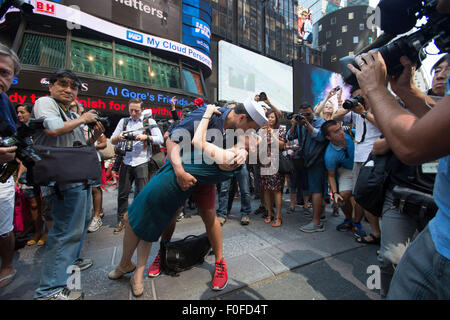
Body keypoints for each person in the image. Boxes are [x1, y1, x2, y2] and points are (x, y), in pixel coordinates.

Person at [109, 103, 267, 296]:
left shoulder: (237, 143)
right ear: (243, 119)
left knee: (208, 216)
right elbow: (172, 141)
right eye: (251, 130)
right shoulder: (207, 115)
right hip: (179, 173)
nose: (251, 134)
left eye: (254, 135)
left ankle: (219, 262)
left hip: (202, 177)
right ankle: (163, 252)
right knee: (167, 216)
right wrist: (179, 172)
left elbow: (207, 143)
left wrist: (242, 149)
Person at [346, 11, 449, 298]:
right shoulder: (421, 99)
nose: (431, 7)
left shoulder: (379, 101)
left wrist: (376, 90)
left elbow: (410, 144)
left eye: (446, 69)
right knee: (389, 260)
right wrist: (404, 89)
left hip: (435, 213)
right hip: (424, 213)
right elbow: (429, 123)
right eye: (438, 69)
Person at [32, 69, 104, 300]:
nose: (68, 90)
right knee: (64, 232)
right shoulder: (45, 103)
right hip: (61, 178)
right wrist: (83, 118)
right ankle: (50, 289)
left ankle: (71, 261)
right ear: (50, 85)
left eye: (73, 87)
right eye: (63, 84)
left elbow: (79, 144)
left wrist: (93, 134)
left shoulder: (68, 112)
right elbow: (52, 130)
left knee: (78, 225)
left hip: (76, 175)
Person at [333, 87, 382, 243]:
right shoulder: (354, 111)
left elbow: (386, 126)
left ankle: (379, 233)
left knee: (374, 196)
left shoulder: (379, 107)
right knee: (360, 195)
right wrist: (348, 106)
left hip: (375, 156)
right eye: (355, 97)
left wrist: (364, 112)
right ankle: (368, 228)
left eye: (360, 96)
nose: (358, 99)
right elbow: (335, 117)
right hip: (359, 157)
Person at [110, 98, 164, 235]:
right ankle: (121, 220)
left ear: (142, 110)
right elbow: (112, 139)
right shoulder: (124, 122)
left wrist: (145, 137)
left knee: (141, 193)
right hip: (126, 161)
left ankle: (140, 218)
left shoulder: (149, 122)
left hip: (142, 161)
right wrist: (119, 137)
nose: (133, 113)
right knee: (122, 193)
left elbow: (160, 139)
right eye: (131, 110)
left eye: (136, 111)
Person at [14, 103, 50, 246]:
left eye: (22, 112)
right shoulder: (19, 133)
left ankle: (47, 231)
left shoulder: (41, 129)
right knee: (33, 204)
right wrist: (18, 177)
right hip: (28, 174)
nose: (19, 115)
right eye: (18, 112)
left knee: (46, 203)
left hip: (45, 171)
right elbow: (22, 158)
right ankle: (36, 231)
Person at [0, 43, 20, 288]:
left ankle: (7, 264)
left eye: (5, 73)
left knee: (4, 227)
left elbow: (15, 138)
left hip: (3, 177)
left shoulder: (6, 103)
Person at [295, 103, 327, 233]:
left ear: (313, 112)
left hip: (317, 160)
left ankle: (316, 222)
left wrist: (307, 124)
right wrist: (294, 124)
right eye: (303, 114)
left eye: (308, 114)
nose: (305, 117)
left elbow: (320, 136)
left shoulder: (321, 122)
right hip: (306, 160)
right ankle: (320, 213)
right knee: (313, 189)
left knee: (316, 190)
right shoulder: (299, 123)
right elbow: (293, 137)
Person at [321, 120, 356, 232]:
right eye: (336, 131)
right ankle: (349, 219)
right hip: (347, 170)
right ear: (328, 137)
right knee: (342, 197)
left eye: (340, 128)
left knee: (361, 196)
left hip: (363, 165)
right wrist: (335, 193)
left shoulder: (352, 134)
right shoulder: (330, 155)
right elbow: (331, 176)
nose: (341, 132)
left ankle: (357, 221)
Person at [259, 109, 286, 227]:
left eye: (272, 117)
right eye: (268, 117)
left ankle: (279, 216)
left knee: (276, 190)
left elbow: (282, 145)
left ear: (276, 119)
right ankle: (269, 213)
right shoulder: (261, 130)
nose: (270, 119)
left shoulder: (280, 129)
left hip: (275, 161)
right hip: (264, 161)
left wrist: (272, 134)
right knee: (265, 189)